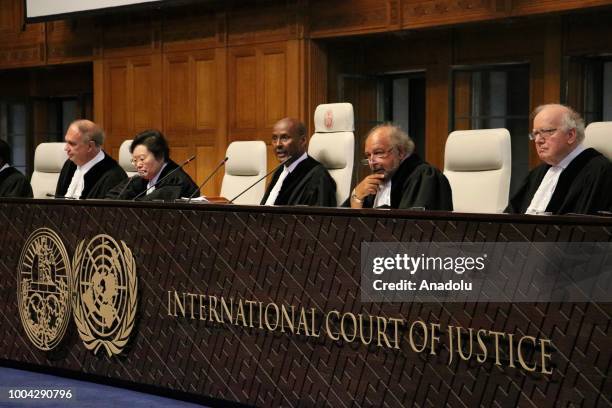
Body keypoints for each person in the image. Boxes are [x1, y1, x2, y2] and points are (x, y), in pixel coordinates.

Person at [506, 104, 612, 215]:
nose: (538, 140)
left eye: (546, 131)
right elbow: (510, 215)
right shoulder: (537, 174)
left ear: (570, 135)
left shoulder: (598, 171)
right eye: (535, 133)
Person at [346, 124, 452, 210]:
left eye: (378, 153)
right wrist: (356, 196)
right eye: (368, 156)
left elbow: (411, 227)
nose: (372, 162)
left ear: (400, 152)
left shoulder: (424, 177)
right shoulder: (373, 184)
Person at [260, 117, 337, 207]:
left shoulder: (318, 176)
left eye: (284, 138)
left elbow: (321, 219)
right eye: (274, 139)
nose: (278, 144)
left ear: (302, 141)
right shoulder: (280, 171)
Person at [106, 129, 198, 200]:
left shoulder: (175, 181)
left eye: (142, 159)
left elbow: (147, 208)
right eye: (134, 160)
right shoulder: (142, 178)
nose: (138, 165)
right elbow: (112, 197)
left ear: (160, 156)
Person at [55, 120, 126, 199]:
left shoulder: (114, 177)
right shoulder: (69, 164)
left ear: (90, 146)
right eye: (66, 142)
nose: (66, 148)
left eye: (72, 144)